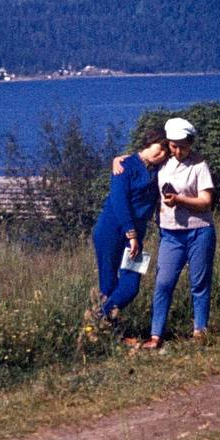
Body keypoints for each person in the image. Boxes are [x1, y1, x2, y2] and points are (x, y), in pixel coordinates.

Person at [139, 117, 215, 350]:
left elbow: (206, 201)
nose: (178, 151)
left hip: (199, 230)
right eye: (174, 146)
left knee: (199, 283)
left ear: (190, 143)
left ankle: (200, 330)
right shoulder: (162, 163)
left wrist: (180, 200)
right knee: (163, 283)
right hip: (171, 233)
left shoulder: (199, 165)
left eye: (183, 146)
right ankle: (156, 335)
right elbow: (140, 159)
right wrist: (118, 160)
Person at [88, 128, 170, 335]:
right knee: (108, 284)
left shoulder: (158, 169)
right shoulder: (124, 165)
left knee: (131, 286)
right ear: (148, 143)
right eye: (160, 148)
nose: (162, 154)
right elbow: (119, 201)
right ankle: (110, 334)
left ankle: (96, 320)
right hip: (111, 230)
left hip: (136, 234)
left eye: (166, 152)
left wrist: (135, 235)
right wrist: (131, 233)